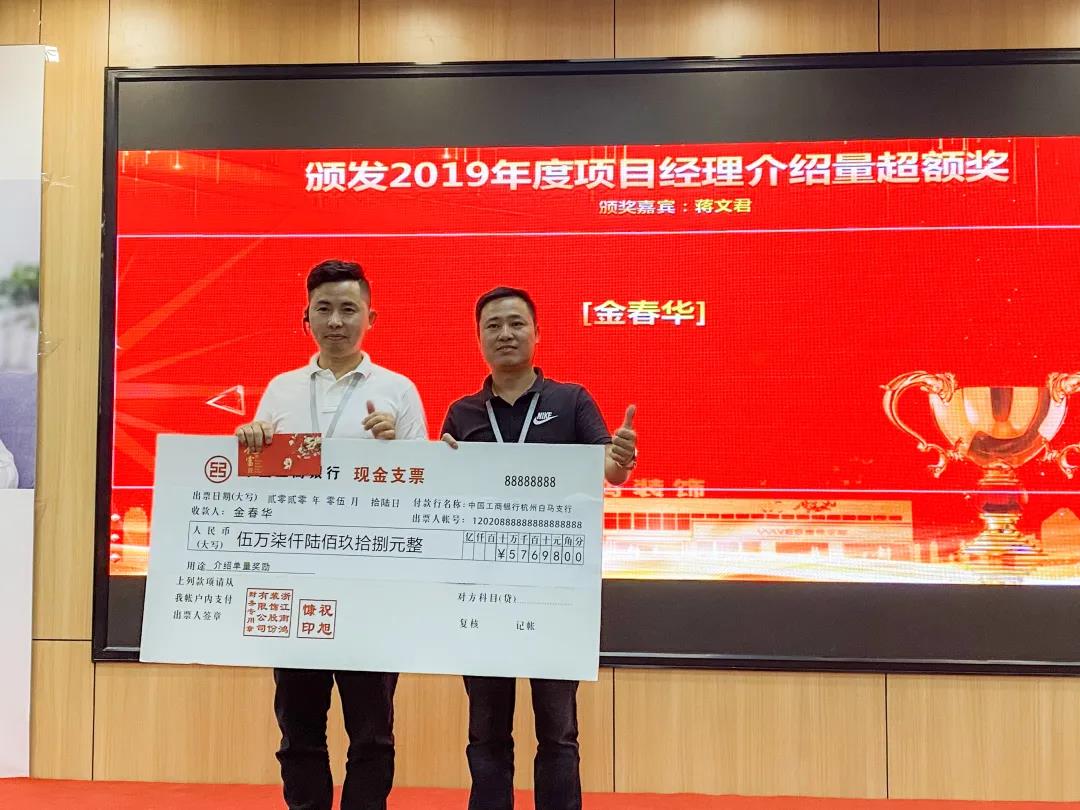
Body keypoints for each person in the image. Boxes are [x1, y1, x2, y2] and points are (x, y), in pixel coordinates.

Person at [236, 259, 427, 810]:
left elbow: (425, 486)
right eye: (324, 309)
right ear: (306, 318)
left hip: (372, 586)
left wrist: (397, 449)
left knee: (372, 732)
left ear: (370, 317)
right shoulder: (281, 390)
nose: (336, 321)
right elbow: (261, 485)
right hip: (298, 584)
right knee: (298, 729)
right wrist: (251, 441)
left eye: (348, 309)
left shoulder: (397, 390)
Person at [440, 286, 637, 810]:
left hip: (555, 596)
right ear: (478, 338)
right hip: (483, 595)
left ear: (536, 332)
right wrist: (441, 467)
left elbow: (609, 469)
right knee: (486, 732)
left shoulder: (571, 401)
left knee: (558, 733)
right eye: (493, 325)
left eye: (516, 323)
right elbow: (446, 497)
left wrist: (620, 458)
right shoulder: (462, 414)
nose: (505, 333)